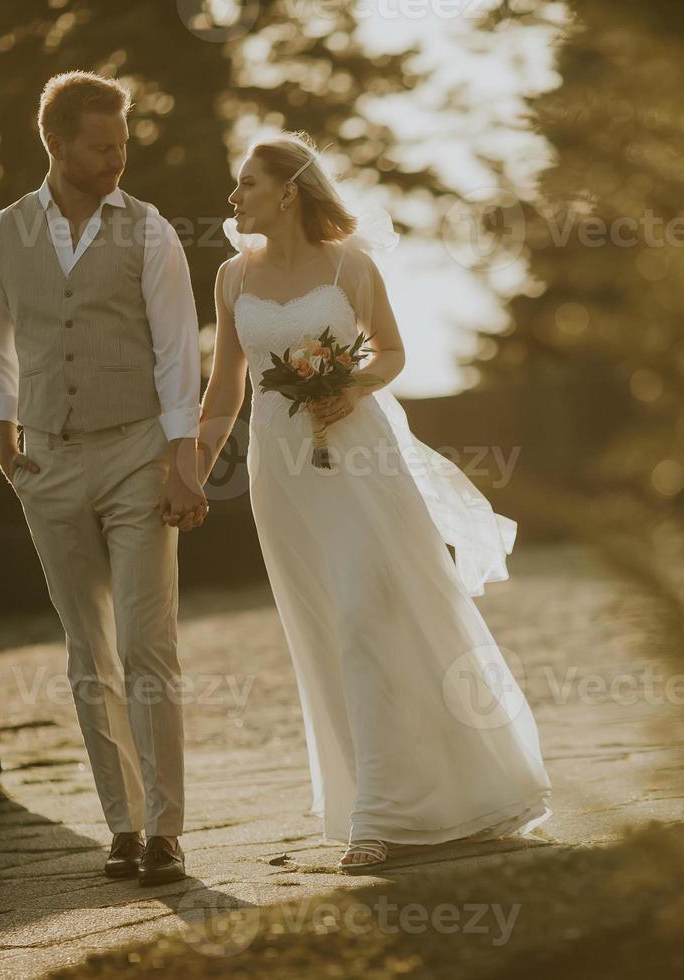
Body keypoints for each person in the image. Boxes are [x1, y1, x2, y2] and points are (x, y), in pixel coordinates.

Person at [194, 131, 552, 869]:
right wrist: (189, 469)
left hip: (358, 459)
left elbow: (390, 351)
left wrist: (347, 386)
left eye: (247, 184)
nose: (233, 200)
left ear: (287, 190)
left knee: (365, 614)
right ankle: (385, 793)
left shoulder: (349, 265)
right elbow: (225, 384)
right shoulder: (231, 278)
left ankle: (379, 818)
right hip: (281, 474)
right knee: (325, 630)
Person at [0, 71, 206, 886]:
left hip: (138, 451)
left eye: (122, 145)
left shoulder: (150, 232)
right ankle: (123, 826)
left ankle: (168, 830)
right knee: (86, 650)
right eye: (101, 146)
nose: (117, 159)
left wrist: (184, 462)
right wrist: (4, 440)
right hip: (49, 461)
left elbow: (180, 353)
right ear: (57, 144)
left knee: (147, 642)